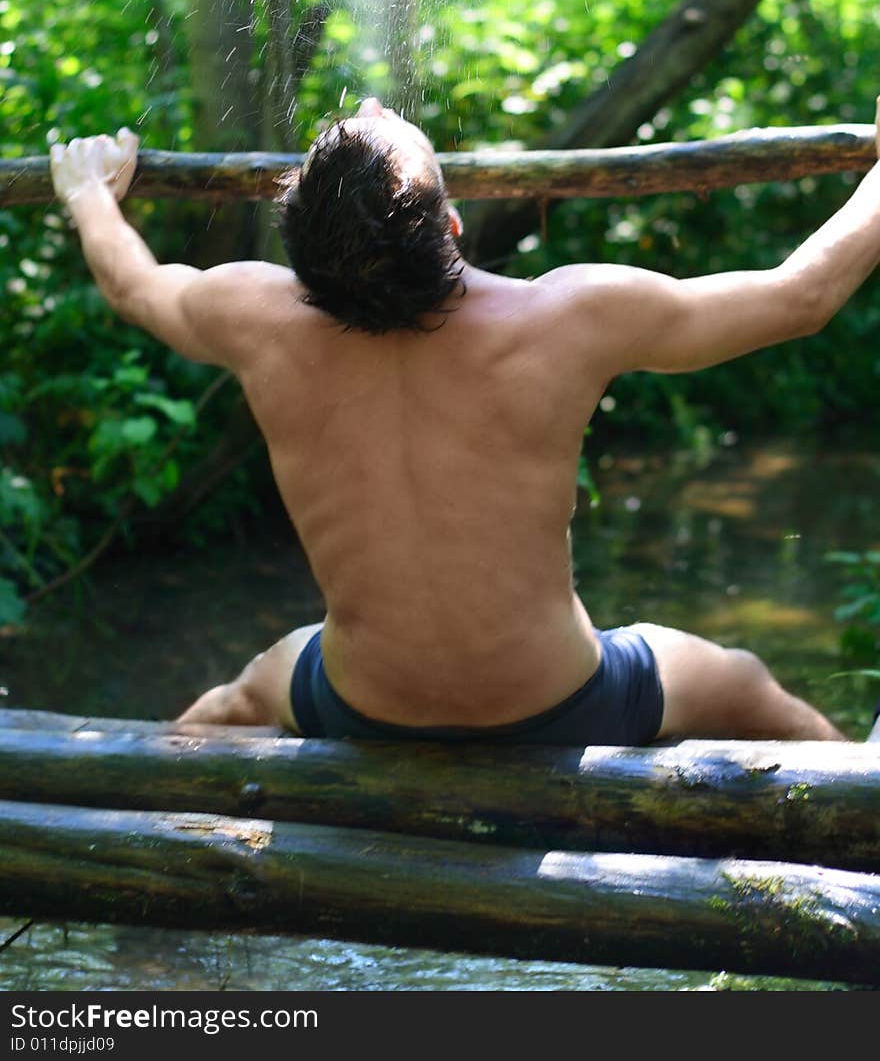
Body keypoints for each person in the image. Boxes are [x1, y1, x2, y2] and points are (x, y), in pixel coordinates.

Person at [49, 96, 880, 746]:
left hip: (360, 705)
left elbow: (134, 286)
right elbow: (801, 295)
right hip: (560, 705)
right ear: (448, 226)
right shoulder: (567, 317)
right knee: (741, 681)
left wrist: (89, 195)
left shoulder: (253, 315)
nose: (374, 108)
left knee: (230, 704)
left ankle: (152, 920)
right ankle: (855, 824)